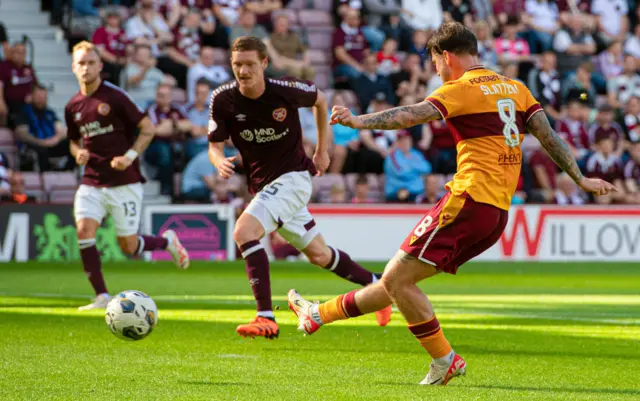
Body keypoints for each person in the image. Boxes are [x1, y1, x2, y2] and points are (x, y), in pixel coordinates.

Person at [287, 22, 617, 385]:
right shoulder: (517, 88)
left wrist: (357, 120)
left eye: (435, 63)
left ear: (446, 56)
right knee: (400, 282)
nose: (436, 72)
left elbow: (411, 115)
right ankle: (318, 314)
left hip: (468, 199)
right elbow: (550, 137)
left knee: (398, 280)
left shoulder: (460, 88)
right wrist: (580, 179)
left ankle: (445, 359)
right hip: (496, 214)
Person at [207, 36, 392, 339]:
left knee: (243, 232)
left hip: (293, 178)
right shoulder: (223, 99)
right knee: (319, 255)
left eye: (250, 64)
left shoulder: (285, 91)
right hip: (266, 186)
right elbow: (214, 147)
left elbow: (321, 100)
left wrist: (322, 150)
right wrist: (218, 162)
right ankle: (378, 288)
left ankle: (265, 317)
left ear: (264, 63)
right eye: (237, 65)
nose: (243, 71)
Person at [64, 41, 190, 311]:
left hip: (124, 182)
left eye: (90, 62)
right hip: (92, 181)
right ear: (74, 68)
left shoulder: (115, 97)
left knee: (128, 246)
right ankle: (101, 296)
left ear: (100, 66)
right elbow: (73, 141)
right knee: (84, 231)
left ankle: (167, 241)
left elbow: (148, 128)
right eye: (81, 63)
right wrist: (77, 153)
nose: (86, 67)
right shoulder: (72, 106)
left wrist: (129, 157)